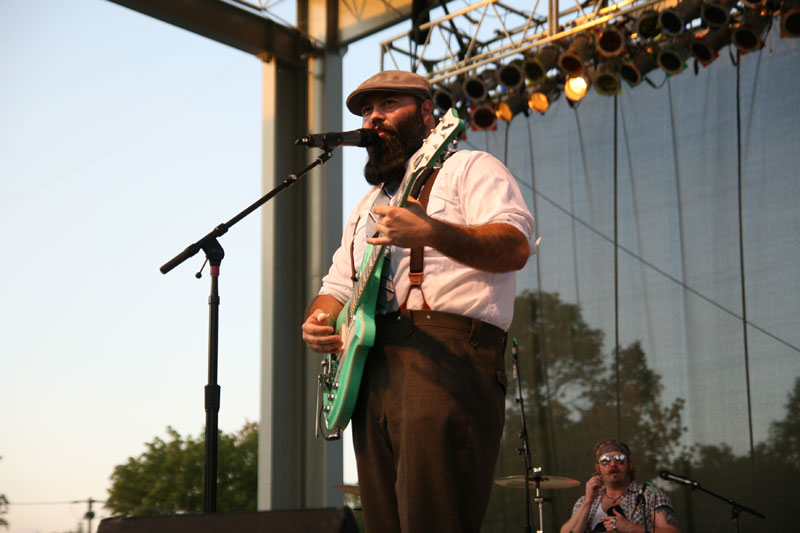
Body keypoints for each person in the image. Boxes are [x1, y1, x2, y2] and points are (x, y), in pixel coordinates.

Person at [300, 70, 536, 533]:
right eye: (367, 111)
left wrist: (432, 231)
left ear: (427, 113)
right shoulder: (366, 206)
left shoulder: (470, 168)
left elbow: (514, 247)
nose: (373, 119)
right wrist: (319, 319)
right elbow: (338, 288)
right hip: (371, 367)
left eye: (388, 105)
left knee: (433, 517)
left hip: (446, 355)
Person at [560, 440, 680, 533]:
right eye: (605, 461)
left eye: (619, 459)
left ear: (630, 464)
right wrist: (588, 501)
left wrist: (629, 527)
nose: (612, 464)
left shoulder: (649, 495)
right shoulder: (584, 501)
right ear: (598, 468)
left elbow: (671, 532)